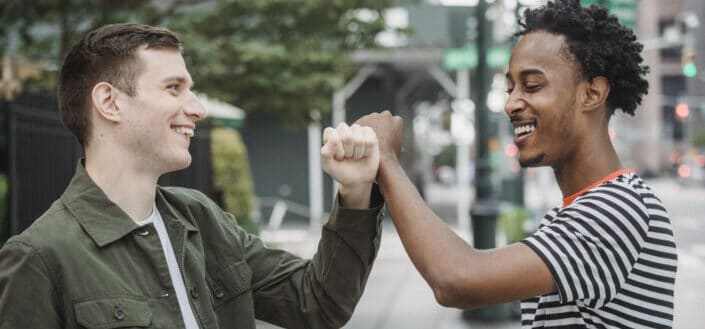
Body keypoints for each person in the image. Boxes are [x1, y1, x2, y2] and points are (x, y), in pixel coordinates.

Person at [0, 23, 384, 329]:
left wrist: (354, 191)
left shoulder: (200, 219)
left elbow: (317, 304)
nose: (197, 108)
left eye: (191, 90)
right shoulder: (39, 259)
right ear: (110, 102)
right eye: (174, 88)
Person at [356, 0, 677, 328]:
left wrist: (389, 161)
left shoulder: (618, 207)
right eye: (509, 88)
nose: (511, 104)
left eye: (532, 86)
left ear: (592, 94)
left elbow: (456, 279)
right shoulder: (576, 212)